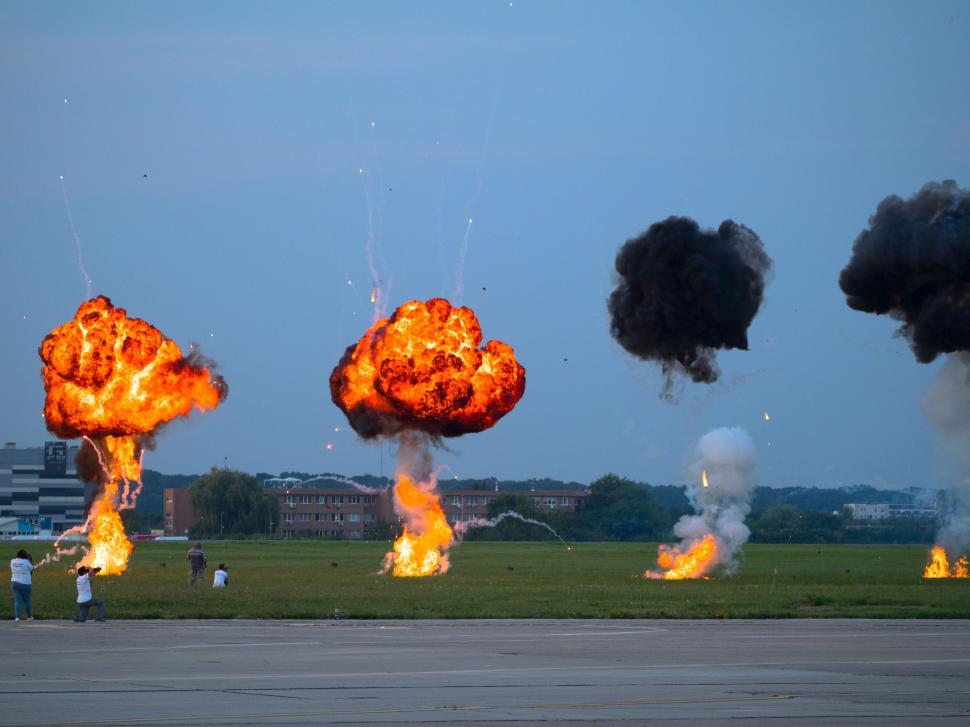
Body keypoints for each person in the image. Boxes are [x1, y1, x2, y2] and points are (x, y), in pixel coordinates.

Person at [10, 549, 34, 622]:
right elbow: (32, 568)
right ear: (25, 556)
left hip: (14, 582)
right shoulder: (26, 562)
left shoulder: (12, 561)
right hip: (25, 583)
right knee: (27, 600)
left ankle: (17, 617)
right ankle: (29, 617)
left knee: (17, 600)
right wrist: (30, 559)